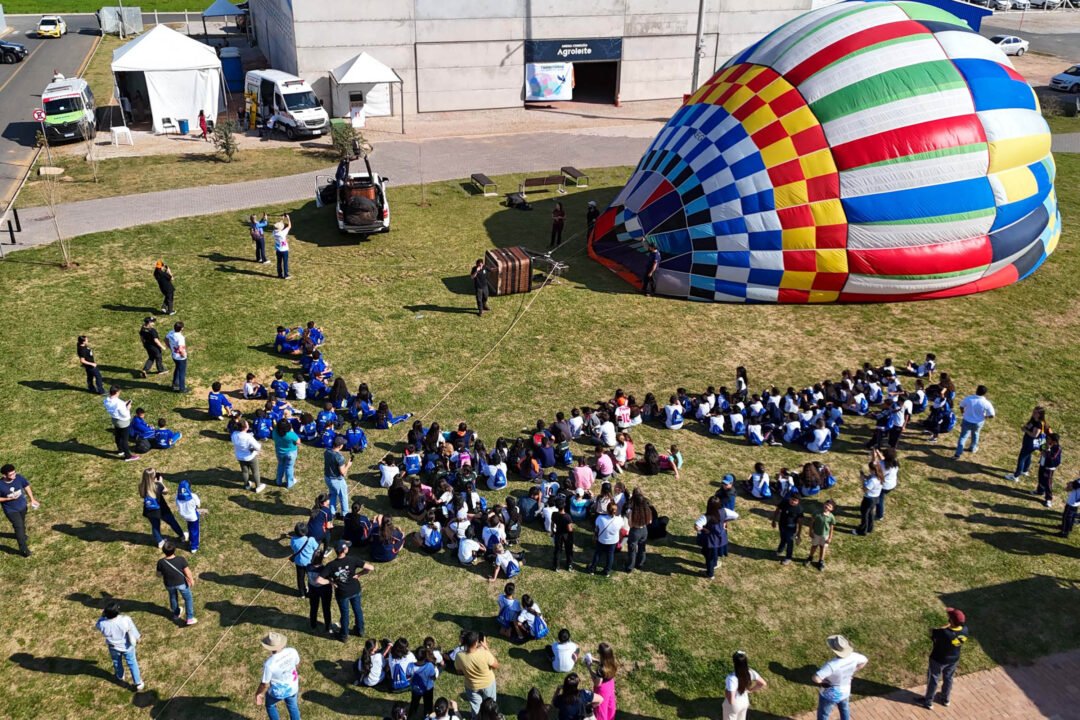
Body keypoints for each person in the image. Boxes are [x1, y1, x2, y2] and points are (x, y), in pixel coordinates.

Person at [313, 540, 374, 643]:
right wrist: (359, 574)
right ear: (345, 550)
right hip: (355, 590)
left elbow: (318, 580)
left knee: (345, 614)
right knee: (358, 610)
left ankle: (344, 635)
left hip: (342, 593)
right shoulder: (353, 560)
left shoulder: (331, 565)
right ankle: (360, 631)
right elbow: (370, 568)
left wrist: (330, 582)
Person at [922, 608, 968, 710]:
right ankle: (945, 699)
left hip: (938, 659)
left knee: (933, 679)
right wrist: (950, 624)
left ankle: (928, 702)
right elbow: (952, 629)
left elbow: (932, 631)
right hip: (953, 660)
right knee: (948, 678)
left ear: (951, 620)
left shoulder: (944, 633)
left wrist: (946, 625)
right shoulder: (965, 630)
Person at [812, 635, 867, 720]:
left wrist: (823, 683)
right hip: (845, 690)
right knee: (844, 709)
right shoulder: (854, 657)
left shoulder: (832, 665)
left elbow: (816, 678)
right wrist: (853, 671)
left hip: (829, 694)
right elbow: (864, 661)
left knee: (824, 714)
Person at [95, 601, 144, 691]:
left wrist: (102, 616)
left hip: (113, 646)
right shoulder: (125, 619)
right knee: (132, 663)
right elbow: (133, 629)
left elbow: (97, 625)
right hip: (127, 647)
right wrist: (138, 637)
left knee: (116, 662)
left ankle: (120, 675)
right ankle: (138, 683)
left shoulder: (102, 623)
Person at [255, 632, 302, 720]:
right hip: (293, 687)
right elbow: (297, 665)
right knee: (293, 707)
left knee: (270, 705)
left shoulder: (269, 664)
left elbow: (265, 684)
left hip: (277, 692)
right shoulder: (292, 651)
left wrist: (259, 693)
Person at [454, 631, 499, 716]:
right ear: (476, 643)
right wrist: (487, 649)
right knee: (490, 705)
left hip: (471, 686)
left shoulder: (459, 656)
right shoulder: (484, 653)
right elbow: (496, 665)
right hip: (488, 683)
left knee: (476, 707)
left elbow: (459, 672)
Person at [0, 464, 39, 557]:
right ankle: (23, 550)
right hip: (11, 510)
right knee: (19, 526)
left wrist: (32, 499)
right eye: (11, 474)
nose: (14, 475)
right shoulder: (0, 485)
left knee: (21, 523)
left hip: (22, 507)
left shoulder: (19, 478)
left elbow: (26, 486)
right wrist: (8, 499)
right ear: (4, 475)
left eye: (14, 473)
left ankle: (21, 535)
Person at [156, 540, 197, 625]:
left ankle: (176, 613)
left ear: (163, 551)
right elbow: (187, 571)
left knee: (173, 598)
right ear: (174, 550)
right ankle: (189, 618)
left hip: (169, 584)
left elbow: (158, 575)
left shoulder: (161, 562)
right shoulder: (180, 559)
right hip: (182, 583)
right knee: (188, 599)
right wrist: (191, 580)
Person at [1006, 406, 1049, 482]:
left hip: (1030, 443)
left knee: (1021, 458)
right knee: (1028, 456)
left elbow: (1034, 435)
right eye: (1033, 411)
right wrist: (1025, 427)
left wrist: (1026, 430)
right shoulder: (1033, 420)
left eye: (1035, 413)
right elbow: (1028, 426)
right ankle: (1025, 470)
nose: (1033, 413)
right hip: (1029, 443)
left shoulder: (1038, 424)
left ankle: (1016, 476)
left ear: (1040, 414)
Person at [722, 650, 767, 720]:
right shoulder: (751, 672)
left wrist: (727, 692)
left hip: (735, 705)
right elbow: (763, 683)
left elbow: (731, 700)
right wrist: (751, 690)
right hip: (745, 701)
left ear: (734, 663)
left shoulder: (731, 678)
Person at [954, 385, 995, 459]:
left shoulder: (969, 399)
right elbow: (992, 415)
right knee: (975, 434)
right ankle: (973, 448)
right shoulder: (986, 403)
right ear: (984, 393)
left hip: (966, 420)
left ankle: (958, 453)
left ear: (976, 390)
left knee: (963, 437)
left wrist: (963, 413)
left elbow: (961, 406)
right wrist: (985, 417)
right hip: (978, 423)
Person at [586, 503, 624, 577]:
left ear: (607, 510)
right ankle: (607, 571)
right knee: (610, 555)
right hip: (613, 541)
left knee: (597, 554)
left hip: (601, 540)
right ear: (615, 511)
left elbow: (597, 528)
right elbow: (622, 527)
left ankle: (592, 569)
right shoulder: (619, 520)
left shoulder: (600, 518)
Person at [104, 386, 140, 461]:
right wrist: (128, 408)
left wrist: (124, 404)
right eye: (119, 392)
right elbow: (124, 414)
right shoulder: (118, 403)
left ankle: (120, 450)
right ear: (116, 392)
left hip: (115, 420)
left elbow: (116, 407)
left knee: (118, 435)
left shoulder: (107, 400)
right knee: (124, 439)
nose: (119, 393)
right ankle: (128, 456)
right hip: (123, 422)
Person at [696, 496, 728, 579]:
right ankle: (715, 563)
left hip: (711, 540)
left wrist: (703, 530)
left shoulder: (706, 517)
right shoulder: (723, 511)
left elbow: (697, 526)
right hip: (720, 538)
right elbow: (735, 515)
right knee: (714, 553)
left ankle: (710, 574)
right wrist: (724, 524)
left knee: (709, 557)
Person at [231, 419, 266, 493]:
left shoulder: (234, 434)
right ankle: (258, 486)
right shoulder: (248, 437)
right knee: (255, 472)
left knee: (244, 471)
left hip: (240, 456)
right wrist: (256, 446)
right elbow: (258, 447)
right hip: (250, 457)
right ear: (245, 427)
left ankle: (246, 485)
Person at [585, 644, 618, 720]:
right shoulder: (612, 662)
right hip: (610, 685)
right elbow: (603, 663)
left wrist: (589, 668)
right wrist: (595, 660)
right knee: (610, 706)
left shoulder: (601, 670)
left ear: (602, 655)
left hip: (603, 690)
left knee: (601, 709)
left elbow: (597, 683)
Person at [771, 493, 803, 565]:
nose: (792, 501)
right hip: (782, 524)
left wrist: (799, 533)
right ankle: (780, 550)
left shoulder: (799, 509)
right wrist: (774, 520)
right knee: (783, 538)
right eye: (792, 499)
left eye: (795, 500)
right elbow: (777, 510)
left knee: (789, 542)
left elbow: (800, 522)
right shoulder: (784, 502)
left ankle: (788, 558)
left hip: (791, 528)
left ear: (798, 501)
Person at [624, 489, 651, 572]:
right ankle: (640, 563)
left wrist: (629, 515)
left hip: (635, 532)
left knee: (632, 549)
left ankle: (630, 567)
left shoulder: (632, 512)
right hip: (644, 530)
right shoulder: (647, 510)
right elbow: (650, 521)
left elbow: (630, 525)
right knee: (642, 547)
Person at [324, 435, 352, 518]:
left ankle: (332, 513)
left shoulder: (327, 452)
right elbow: (343, 472)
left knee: (332, 494)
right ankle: (345, 514)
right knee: (343, 496)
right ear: (340, 446)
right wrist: (348, 465)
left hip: (327, 478)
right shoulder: (339, 458)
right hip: (336, 480)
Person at [408, 647, 440, 718]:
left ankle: (411, 715)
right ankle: (427, 716)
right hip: (428, 689)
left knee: (414, 702)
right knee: (428, 704)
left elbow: (408, 677)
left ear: (415, 656)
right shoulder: (430, 666)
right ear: (426, 656)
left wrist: (411, 683)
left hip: (416, 689)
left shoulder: (410, 666)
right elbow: (433, 677)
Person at [805, 499, 836, 571]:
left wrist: (830, 537)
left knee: (823, 548)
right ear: (823, 504)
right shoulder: (816, 513)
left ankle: (821, 561)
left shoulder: (831, 517)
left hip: (825, 536)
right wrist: (810, 531)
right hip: (816, 534)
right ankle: (810, 557)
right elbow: (811, 522)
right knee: (814, 546)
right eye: (826, 504)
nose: (827, 506)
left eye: (829, 506)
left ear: (832, 509)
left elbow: (831, 528)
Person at [289, 521, 318, 597]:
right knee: (311, 577)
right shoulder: (310, 540)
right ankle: (311, 592)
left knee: (300, 578)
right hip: (309, 562)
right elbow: (316, 547)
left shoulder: (293, 540)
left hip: (299, 562)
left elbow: (292, 548)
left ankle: (302, 593)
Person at [175, 480, 204, 553]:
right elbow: (198, 505)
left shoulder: (177, 497)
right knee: (195, 530)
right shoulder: (193, 496)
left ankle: (191, 539)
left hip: (184, 515)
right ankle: (194, 547)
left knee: (190, 527)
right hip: (193, 516)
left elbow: (177, 505)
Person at [1035, 433, 1062, 508]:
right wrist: (1043, 448)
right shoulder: (1046, 443)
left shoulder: (1057, 448)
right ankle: (1039, 491)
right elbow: (1040, 448)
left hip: (1049, 467)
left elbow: (1053, 457)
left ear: (1054, 441)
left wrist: (1048, 450)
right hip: (1043, 464)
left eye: (1049, 439)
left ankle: (1048, 499)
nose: (1047, 439)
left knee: (1048, 483)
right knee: (1040, 478)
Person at [273, 419, 301, 489]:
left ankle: (278, 481)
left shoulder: (275, 432)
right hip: (291, 453)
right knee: (289, 467)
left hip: (280, 452)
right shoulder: (291, 434)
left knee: (280, 465)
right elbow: (298, 442)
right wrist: (292, 431)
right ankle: (289, 483)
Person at [550, 497, 575, 572]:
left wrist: (552, 531)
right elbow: (569, 529)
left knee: (558, 550)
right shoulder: (567, 517)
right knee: (568, 550)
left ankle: (556, 566)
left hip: (558, 533)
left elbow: (552, 523)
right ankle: (569, 565)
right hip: (567, 535)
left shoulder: (554, 514)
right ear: (564, 505)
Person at [165, 321, 188, 393]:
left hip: (174, 355)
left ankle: (175, 384)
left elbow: (165, 339)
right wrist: (183, 355)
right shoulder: (180, 338)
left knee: (177, 368)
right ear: (181, 329)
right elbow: (180, 349)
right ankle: (182, 388)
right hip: (180, 358)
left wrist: (170, 347)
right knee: (182, 372)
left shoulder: (171, 333)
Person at [274, 215, 292, 280]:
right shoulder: (283, 233)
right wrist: (288, 218)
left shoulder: (274, 233)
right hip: (284, 250)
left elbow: (278, 227)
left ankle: (279, 274)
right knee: (285, 262)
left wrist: (282, 219)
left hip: (278, 250)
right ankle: (286, 275)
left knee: (279, 262)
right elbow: (289, 226)